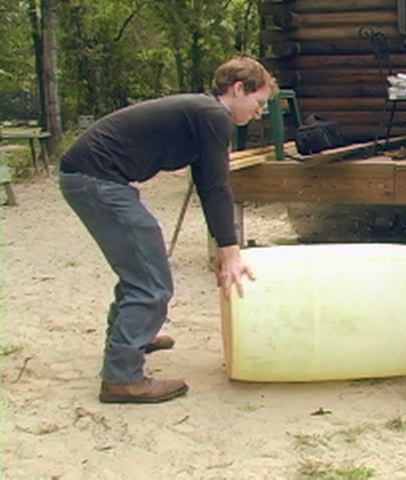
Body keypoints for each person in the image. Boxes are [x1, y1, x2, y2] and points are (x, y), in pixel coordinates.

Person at [59, 56, 278, 404]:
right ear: (239, 89)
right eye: (259, 102)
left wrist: (226, 246)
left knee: (141, 264)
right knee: (150, 278)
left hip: (90, 177)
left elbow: (209, 183)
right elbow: (217, 187)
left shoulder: (204, 113)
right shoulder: (213, 115)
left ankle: (133, 338)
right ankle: (123, 377)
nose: (259, 112)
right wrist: (230, 250)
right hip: (95, 179)